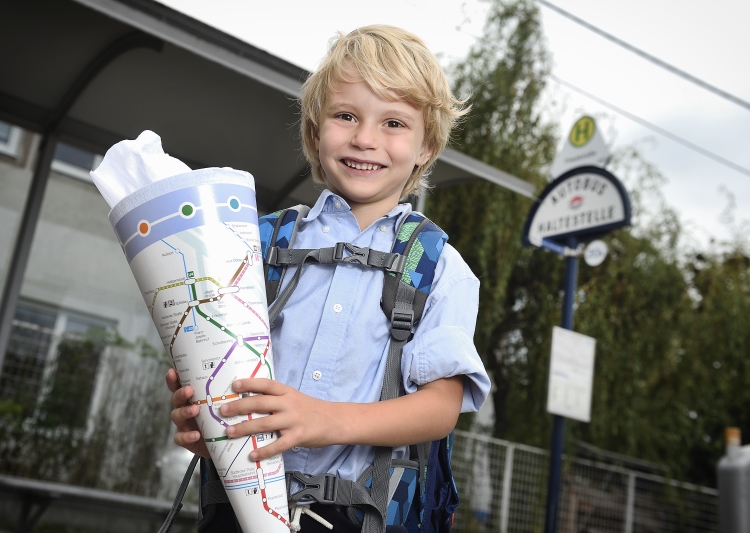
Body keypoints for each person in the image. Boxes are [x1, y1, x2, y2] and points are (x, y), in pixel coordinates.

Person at [166, 25, 490, 533]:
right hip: (237, 511)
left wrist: (325, 419)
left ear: (427, 147)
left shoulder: (441, 268)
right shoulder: (252, 241)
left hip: (358, 520)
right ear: (317, 132)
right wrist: (205, 417)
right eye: (346, 116)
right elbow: (219, 368)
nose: (365, 138)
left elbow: (441, 407)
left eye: (394, 123)